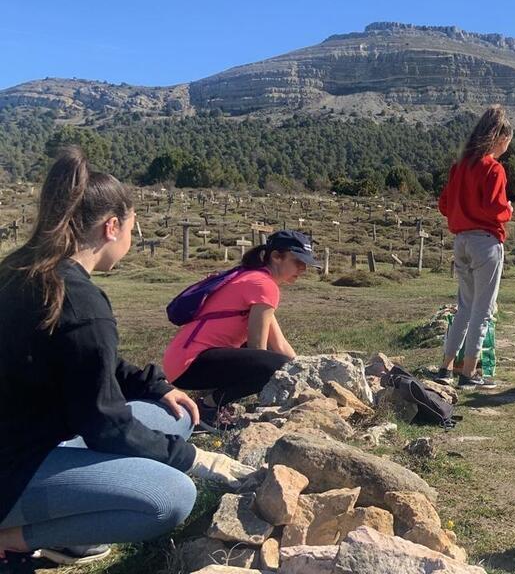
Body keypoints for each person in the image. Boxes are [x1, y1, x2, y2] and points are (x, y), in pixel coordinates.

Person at [0, 147, 252, 571]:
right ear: (112, 227)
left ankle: (68, 530)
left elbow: (86, 361)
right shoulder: (80, 302)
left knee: (174, 417)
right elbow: (104, 426)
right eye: (133, 228)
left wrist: (156, 385)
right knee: (170, 497)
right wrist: (197, 460)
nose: (132, 240)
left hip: (30, 437)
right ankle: (14, 539)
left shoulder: (21, 271)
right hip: (14, 470)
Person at [163, 230, 315, 429]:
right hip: (190, 365)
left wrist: (305, 375)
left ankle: (213, 404)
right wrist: (281, 379)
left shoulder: (253, 277)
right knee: (272, 366)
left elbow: (278, 343)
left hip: (179, 362)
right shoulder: (264, 285)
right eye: (298, 262)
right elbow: (258, 349)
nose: (303, 269)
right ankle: (208, 408)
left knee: (277, 362)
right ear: (277, 256)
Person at [435, 105, 514, 390]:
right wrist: (509, 209)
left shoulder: (459, 166)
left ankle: (445, 366)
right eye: (507, 142)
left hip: (461, 241)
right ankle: (469, 372)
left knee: (464, 307)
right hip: (486, 243)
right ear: (499, 138)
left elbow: (444, 205)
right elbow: (496, 209)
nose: (506, 147)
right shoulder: (494, 168)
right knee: (484, 309)